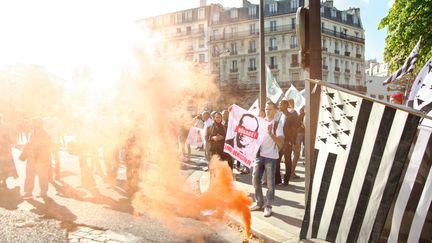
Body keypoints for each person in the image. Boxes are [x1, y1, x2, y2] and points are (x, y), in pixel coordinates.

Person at [250, 101, 284, 217]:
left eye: (270, 109)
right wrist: (233, 111)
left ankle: (268, 206)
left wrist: (271, 134)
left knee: (270, 184)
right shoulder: (260, 122)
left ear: (275, 111)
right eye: (266, 109)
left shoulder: (277, 125)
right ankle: (259, 202)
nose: (267, 111)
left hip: (271, 157)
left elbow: (280, 143)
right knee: (255, 179)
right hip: (259, 156)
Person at [20, 118, 51, 199]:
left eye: (33, 124)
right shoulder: (34, 133)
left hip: (41, 159)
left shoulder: (44, 134)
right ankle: (29, 192)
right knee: (30, 175)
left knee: (42, 176)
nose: (31, 125)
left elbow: (45, 147)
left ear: (38, 125)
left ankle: (43, 192)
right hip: (32, 158)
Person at [0, 115, 18, 189]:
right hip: (4, 148)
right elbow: (8, 137)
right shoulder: (4, 126)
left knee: (3, 164)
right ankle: (4, 180)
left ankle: (3, 179)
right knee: (5, 164)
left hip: (3, 148)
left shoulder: (4, 126)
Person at [292, 106, 305, 178]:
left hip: (298, 134)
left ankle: (291, 171)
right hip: (301, 134)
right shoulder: (302, 115)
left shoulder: (299, 115)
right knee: (296, 154)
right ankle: (292, 172)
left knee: (296, 154)